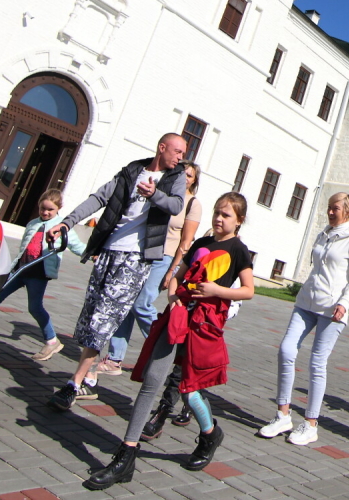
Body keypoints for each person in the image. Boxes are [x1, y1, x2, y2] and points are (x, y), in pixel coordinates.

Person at [83, 192, 254, 490]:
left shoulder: (239, 250)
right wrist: (173, 296)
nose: (218, 218)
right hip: (177, 320)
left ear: (239, 220)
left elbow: (248, 290)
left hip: (203, 327)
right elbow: (178, 274)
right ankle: (127, 454)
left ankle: (210, 433)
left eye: (226, 215)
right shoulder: (201, 244)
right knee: (152, 379)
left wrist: (217, 291)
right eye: (217, 212)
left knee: (189, 391)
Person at [46, 132, 188, 411]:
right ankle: (89, 376)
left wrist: (155, 194)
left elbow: (176, 205)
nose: (181, 157)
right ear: (162, 148)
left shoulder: (176, 177)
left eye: (183, 153)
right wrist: (67, 222)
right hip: (109, 251)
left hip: (137, 259)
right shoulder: (133, 170)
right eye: (177, 151)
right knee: (91, 313)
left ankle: (73, 384)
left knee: (104, 317)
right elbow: (99, 198)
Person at [258, 192, 349, 446]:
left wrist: (344, 302)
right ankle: (283, 415)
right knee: (286, 351)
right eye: (329, 207)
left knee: (317, 363)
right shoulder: (324, 233)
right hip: (307, 302)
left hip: (332, 309)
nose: (330, 212)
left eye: (335, 208)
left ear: (347, 211)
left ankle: (310, 424)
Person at [98, 161, 203, 376]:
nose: (184, 177)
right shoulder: (165, 193)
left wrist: (173, 270)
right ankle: (115, 357)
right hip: (145, 250)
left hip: (167, 258)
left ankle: (164, 347)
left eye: (190, 175)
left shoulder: (192, 204)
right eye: (182, 173)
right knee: (127, 301)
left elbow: (186, 241)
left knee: (141, 303)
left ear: (194, 181)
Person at [0, 189, 86, 359]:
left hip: (38, 273)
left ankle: (52, 341)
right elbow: (25, 245)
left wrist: (93, 255)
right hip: (19, 269)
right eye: (42, 209)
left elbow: (76, 246)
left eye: (50, 210)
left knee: (35, 307)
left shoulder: (61, 226)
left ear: (58, 209)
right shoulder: (32, 223)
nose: (45, 213)